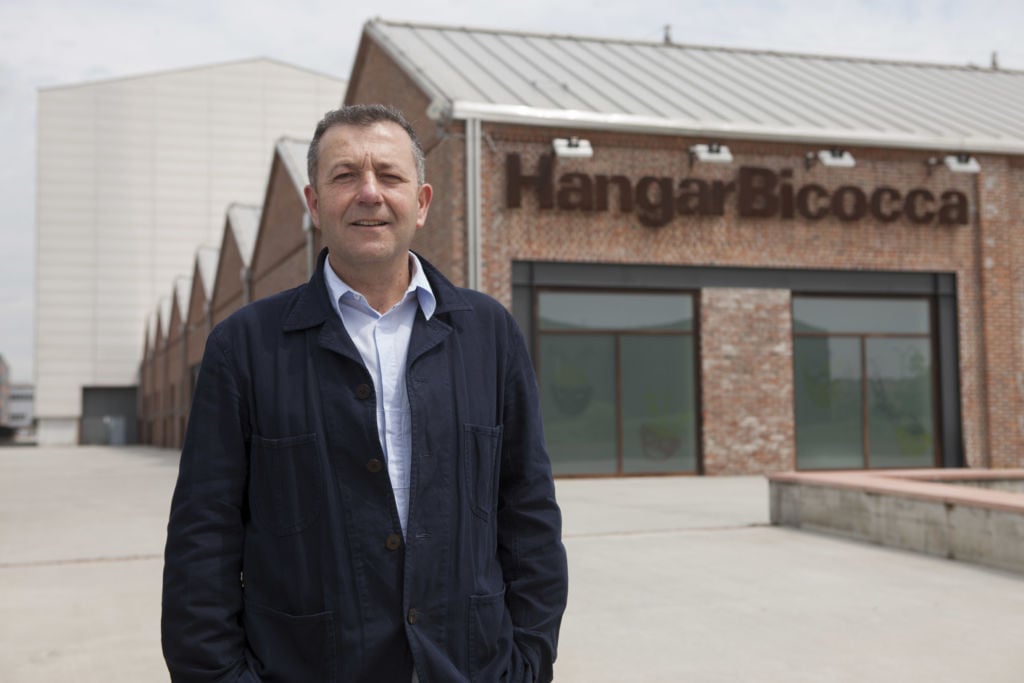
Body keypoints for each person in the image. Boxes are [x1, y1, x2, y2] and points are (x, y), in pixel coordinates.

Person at [161, 104, 569, 683]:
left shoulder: (488, 333)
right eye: (345, 175)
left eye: (390, 175)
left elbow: (529, 513)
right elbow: (202, 542)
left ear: (422, 202)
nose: (369, 193)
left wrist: (529, 660)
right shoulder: (245, 348)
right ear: (313, 204)